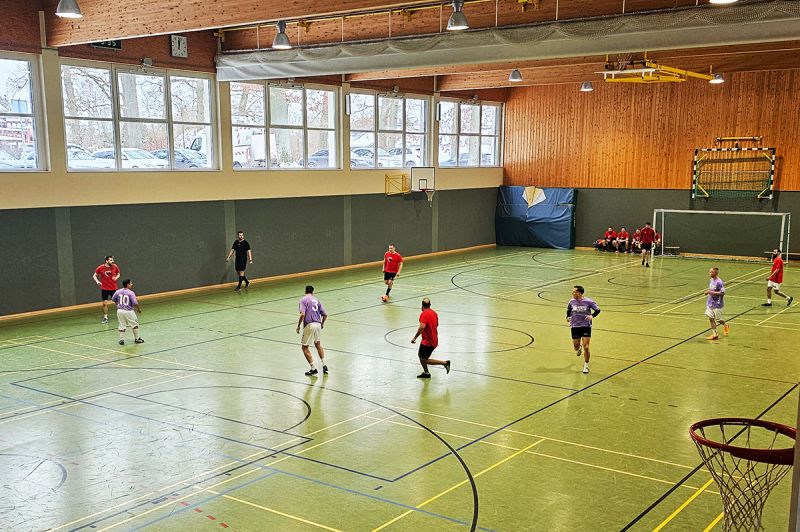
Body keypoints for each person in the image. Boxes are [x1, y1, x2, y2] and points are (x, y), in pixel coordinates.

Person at [411, 298, 450, 378]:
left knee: (423, 359)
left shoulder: (424, 314)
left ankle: (445, 363)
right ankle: (426, 373)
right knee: (421, 356)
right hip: (433, 339)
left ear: (422, 305)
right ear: (430, 305)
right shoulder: (434, 313)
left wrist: (415, 338)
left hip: (428, 341)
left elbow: (422, 327)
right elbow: (437, 324)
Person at [566, 285, 600, 374]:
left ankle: (586, 365)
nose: (572, 293)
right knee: (576, 347)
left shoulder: (589, 301)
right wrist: (568, 317)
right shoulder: (571, 301)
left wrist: (592, 316)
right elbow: (568, 310)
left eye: (574, 292)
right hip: (575, 326)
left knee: (586, 346)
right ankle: (579, 347)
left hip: (586, 326)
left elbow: (597, 310)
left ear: (579, 293)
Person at [296, 285, 328, 376]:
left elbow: (302, 314)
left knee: (304, 348)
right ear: (313, 292)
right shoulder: (316, 300)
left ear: (305, 291)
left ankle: (313, 368)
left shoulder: (303, 300)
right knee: (318, 344)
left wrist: (298, 326)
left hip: (310, 324)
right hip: (318, 324)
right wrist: (322, 324)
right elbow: (325, 315)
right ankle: (324, 365)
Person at [112, 279, 143, 345]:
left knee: (122, 325)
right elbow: (135, 302)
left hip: (120, 311)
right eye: (131, 283)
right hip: (129, 311)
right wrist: (138, 309)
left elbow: (113, 299)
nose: (132, 284)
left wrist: (118, 305)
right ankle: (137, 338)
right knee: (135, 324)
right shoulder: (131, 293)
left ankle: (121, 339)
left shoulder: (118, 291)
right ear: (127, 284)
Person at [93, 255, 121, 324]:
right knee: (104, 303)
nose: (112, 261)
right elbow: (94, 275)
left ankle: (122, 316)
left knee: (117, 302)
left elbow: (119, 274)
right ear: (106, 261)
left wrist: (116, 278)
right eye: (111, 260)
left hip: (113, 288)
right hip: (105, 288)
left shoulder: (115, 266)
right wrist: (97, 281)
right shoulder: (100, 267)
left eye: (112, 260)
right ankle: (105, 318)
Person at [704, 267, 729, 340]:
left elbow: (722, 293)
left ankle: (725, 324)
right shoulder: (711, 280)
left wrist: (710, 292)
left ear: (715, 273)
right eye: (709, 272)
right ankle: (715, 334)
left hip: (717, 304)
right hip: (710, 303)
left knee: (718, 320)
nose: (709, 273)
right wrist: (709, 292)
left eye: (711, 272)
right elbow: (712, 289)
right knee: (711, 318)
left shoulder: (719, 282)